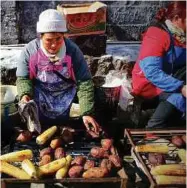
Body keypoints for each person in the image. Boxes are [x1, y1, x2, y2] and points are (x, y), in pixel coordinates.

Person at [16, 9, 101, 137]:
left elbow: (84, 82)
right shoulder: (30, 51)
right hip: (41, 95)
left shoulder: (72, 51)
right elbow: (23, 78)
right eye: (49, 40)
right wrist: (25, 94)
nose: (54, 45)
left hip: (65, 96)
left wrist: (86, 112)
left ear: (63, 36)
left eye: (58, 39)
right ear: (41, 36)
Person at [132, 1, 186, 128]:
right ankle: (154, 127)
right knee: (178, 97)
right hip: (149, 83)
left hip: (171, 76)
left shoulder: (181, 35)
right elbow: (152, 72)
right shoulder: (156, 35)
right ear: (177, 19)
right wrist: (181, 87)